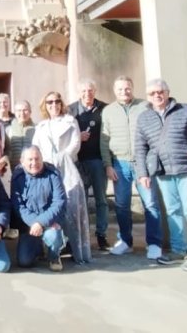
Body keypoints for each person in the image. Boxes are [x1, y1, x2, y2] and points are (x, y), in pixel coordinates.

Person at [134, 78, 187, 272]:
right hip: (162, 171)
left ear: (168, 92)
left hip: (186, 168)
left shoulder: (185, 110)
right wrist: (142, 173)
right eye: (152, 93)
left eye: (160, 91)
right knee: (172, 211)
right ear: (148, 97)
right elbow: (140, 148)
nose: (157, 95)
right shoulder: (144, 118)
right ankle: (178, 250)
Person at [101, 75, 165, 260]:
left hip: (142, 162)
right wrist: (107, 164)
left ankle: (153, 243)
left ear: (132, 88)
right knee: (121, 205)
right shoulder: (108, 111)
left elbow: (154, 135)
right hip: (119, 164)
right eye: (120, 89)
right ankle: (125, 241)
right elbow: (104, 140)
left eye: (127, 88)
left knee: (150, 204)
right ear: (115, 91)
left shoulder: (145, 106)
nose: (124, 92)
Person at [32, 92, 92, 264]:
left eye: (57, 101)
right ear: (45, 105)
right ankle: (55, 245)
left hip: (67, 169)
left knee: (71, 207)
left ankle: (74, 246)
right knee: (50, 206)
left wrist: (60, 158)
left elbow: (75, 144)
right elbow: (36, 146)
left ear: (61, 103)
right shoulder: (42, 126)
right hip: (47, 170)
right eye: (49, 102)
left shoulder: (70, 121)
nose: (53, 105)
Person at [68, 79, 109, 251]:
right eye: (84, 91)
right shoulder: (70, 110)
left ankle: (101, 235)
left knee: (101, 199)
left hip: (98, 160)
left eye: (90, 90)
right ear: (79, 93)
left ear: (95, 91)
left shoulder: (104, 109)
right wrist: (78, 136)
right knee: (80, 200)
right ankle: (81, 235)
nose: (87, 94)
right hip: (78, 161)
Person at [11, 146, 66, 272]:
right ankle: (38, 248)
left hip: (50, 222)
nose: (34, 163)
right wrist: (35, 223)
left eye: (37, 159)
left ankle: (54, 256)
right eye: (30, 159)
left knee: (53, 235)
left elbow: (59, 202)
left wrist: (41, 222)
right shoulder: (18, 177)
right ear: (22, 161)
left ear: (42, 159)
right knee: (24, 262)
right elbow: (18, 206)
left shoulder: (53, 174)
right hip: (29, 225)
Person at [6, 100, 35, 168]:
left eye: (25, 110)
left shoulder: (37, 129)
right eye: (19, 110)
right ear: (15, 113)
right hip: (13, 168)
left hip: (32, 166)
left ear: (30, 112)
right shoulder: (8, 129)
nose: (22, 113)